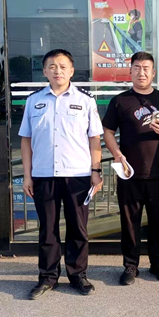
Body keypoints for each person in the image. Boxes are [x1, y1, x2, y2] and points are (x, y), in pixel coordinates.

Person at [19, 49, 104, 300]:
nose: (58, 71)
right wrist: (27, 175)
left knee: (78, 228)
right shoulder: (34, 101)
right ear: (45, 71)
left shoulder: (85, 100)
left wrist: (96, 172)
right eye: (52, 66)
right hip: (43, 174)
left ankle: (78, 275)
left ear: (72, 71)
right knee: (48, 230)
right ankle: (48, 277)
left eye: (63, 66)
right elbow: (26, 140)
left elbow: (95, 140)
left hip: (77, 175)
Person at [102, 52, 159, 285]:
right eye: (137, 68)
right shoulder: (120, 101)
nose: (141, 72)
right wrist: (117, 154)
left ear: (153, 72)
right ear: (130, 71)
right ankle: (130, 265)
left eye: (146, 68)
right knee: (130, 222)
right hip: (130, 173)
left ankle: (158, 263)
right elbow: (107, 131)